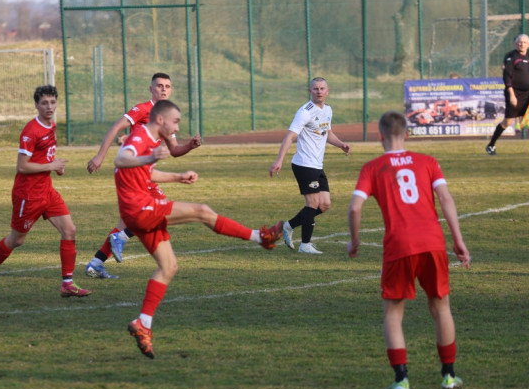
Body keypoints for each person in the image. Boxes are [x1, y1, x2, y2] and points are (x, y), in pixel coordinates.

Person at [116, 99, 281, 359]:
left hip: (141, 208)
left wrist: (178, 177)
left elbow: (146, 173)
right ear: (160, 120)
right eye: (176, 122)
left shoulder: (151, 140)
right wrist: (149, 156)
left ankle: (143, 324)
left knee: (169, 267)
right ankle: (261, 237)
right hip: (139, 208)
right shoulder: (140, 137)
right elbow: (122, 158)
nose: (177, 128)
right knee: (202, 211)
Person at [346, 111, 471, 389]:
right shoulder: (428, 162)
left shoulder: (372, 167)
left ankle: (402, 379)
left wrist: (354, 241)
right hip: (433, 242)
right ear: (408, 134)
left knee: (393, 312)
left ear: (379, 136)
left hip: (399, 245)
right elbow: (446, 198)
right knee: (440, 307)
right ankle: (449, 375)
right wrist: (458, 239)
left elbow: (355, 207)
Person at [84, 72, 201, 279]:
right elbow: (116, 127)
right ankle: (119, 238)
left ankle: (96, 263)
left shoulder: (166, 116)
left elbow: (174, 150)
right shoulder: (143, 109)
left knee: (129, 220)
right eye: (159, 86)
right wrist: (100, 156)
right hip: (133, 170)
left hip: (145, 173)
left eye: (167, 86)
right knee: (157, 211)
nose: (164, 89)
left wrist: (190, 146)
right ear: (151, 89)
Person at [0, 85, 92, 299]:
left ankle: (67, 283)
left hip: (46, 191)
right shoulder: (30, 131)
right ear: (36, 105)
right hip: (27, 195)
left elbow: (45, 156)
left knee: (69, 230)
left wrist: (55, 166)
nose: (49, 107)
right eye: (44, 103)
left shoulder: (52, 125)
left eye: (52, 102)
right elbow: (22, 166)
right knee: (17, 240)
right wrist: (50, 166)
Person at [269, 77, 351, 254]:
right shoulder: (304, 112)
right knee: (312, 204)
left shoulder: (327, 109)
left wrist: (341, 144)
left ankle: (288, 225)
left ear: (328, 91)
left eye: (322, 88)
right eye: (315, 89)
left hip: (317, 164)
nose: (319, 91)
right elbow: (290, 136)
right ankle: (305, 244)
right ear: (310, 91)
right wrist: (279, 160)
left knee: (324, 205)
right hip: (304, 164)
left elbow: (327, 133)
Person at [486, 34, 529, 155]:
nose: (521, 44)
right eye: (519, 42)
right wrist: (511, 95)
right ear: (515, 44)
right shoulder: (511, 57)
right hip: (515, 93)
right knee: (507, 122)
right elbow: (507, 77)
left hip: (528, 94)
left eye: (524, 42)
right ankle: (491, 145)